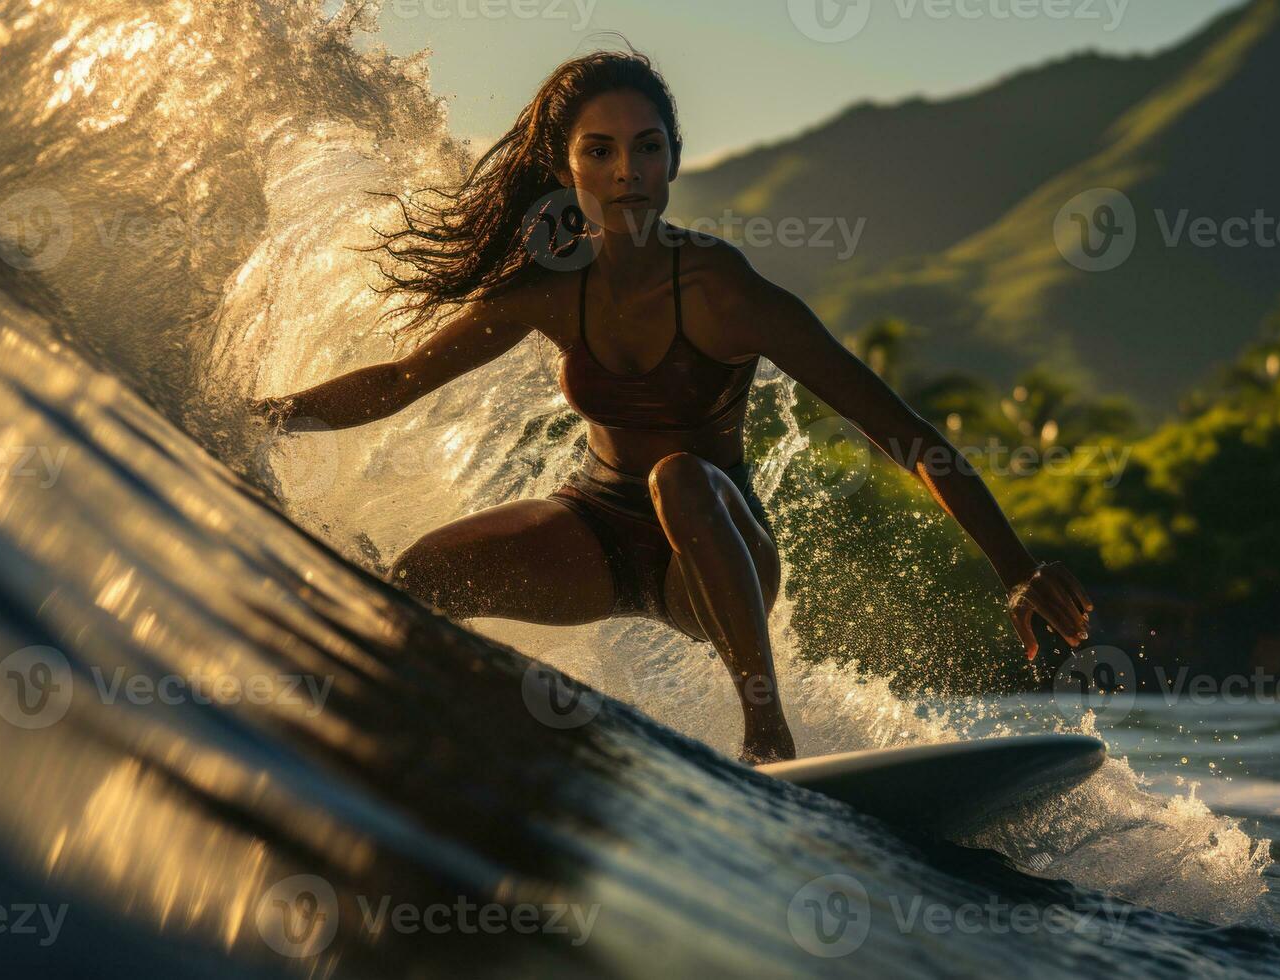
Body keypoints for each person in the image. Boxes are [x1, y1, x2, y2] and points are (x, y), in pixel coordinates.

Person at [250, 49, 1091, 764]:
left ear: (674, 159)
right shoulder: (549, 289)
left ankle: (767, 734)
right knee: (417, 579)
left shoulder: (724, 291)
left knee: (681, 475)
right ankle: (415, 749)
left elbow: (902, 432)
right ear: (565, 168)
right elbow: (398, 382)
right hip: (591, 537)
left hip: (714, 558)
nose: (628, 172)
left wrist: (1015, 568)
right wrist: (257, 417)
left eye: (647, 148)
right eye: (602, 150)